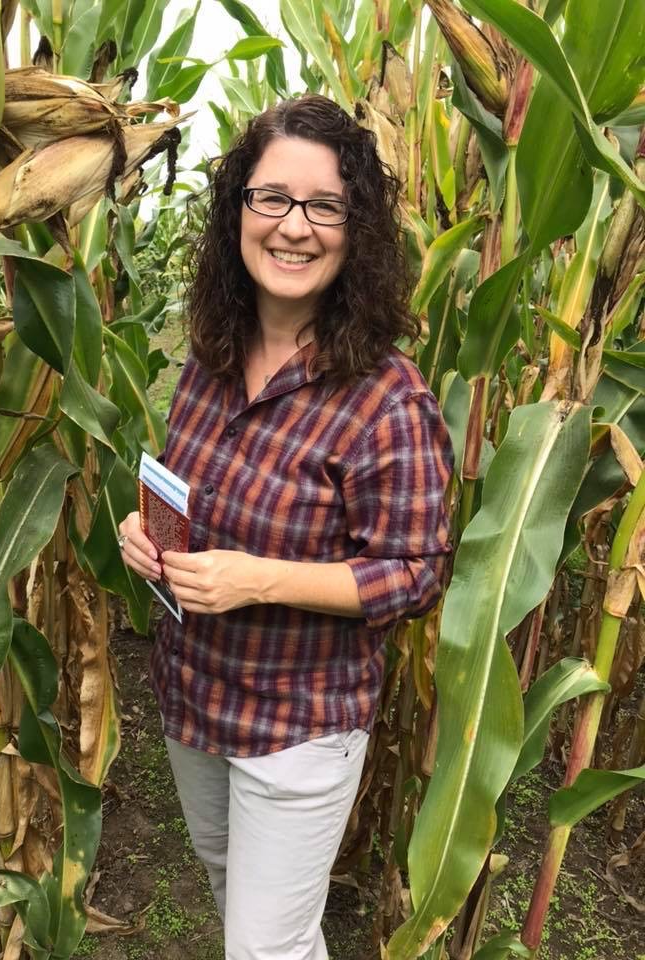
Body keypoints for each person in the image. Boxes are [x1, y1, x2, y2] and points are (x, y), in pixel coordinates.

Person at [117, 94, 453, 960]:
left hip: (296, 726)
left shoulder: (385, 400)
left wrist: (258, 578)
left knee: (267, 947)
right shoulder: (208, 356)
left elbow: (414, 571)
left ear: (356, 229)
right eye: (272, 198)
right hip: (194, 698)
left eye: (324, 206)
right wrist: (146, 536)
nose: (294, 226)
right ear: (238, 210)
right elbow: (192, 495)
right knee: (236, 896)